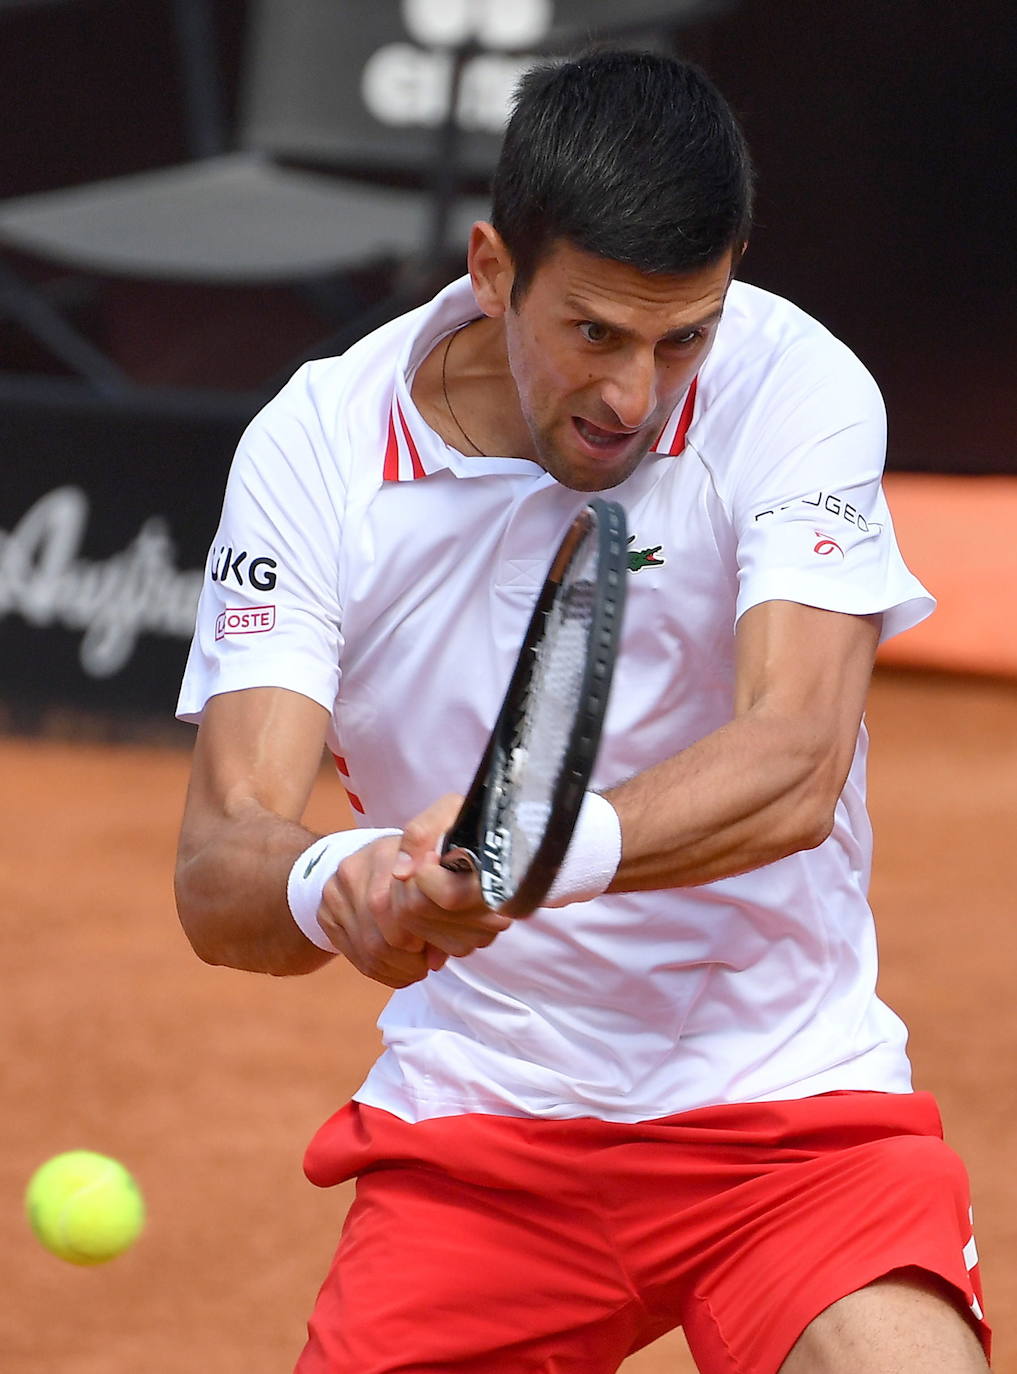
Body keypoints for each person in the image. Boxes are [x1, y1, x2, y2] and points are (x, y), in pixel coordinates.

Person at [174, 49, 990, 1374]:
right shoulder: (315, 450)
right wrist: (351, 879)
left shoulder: (792, 383)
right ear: (492, 270)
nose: (634, 394)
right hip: (485, 1118)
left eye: (685, 335)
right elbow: (221, 861)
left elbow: (794, 762)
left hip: (785, 1099)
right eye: (594, 333)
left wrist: (528, 852)